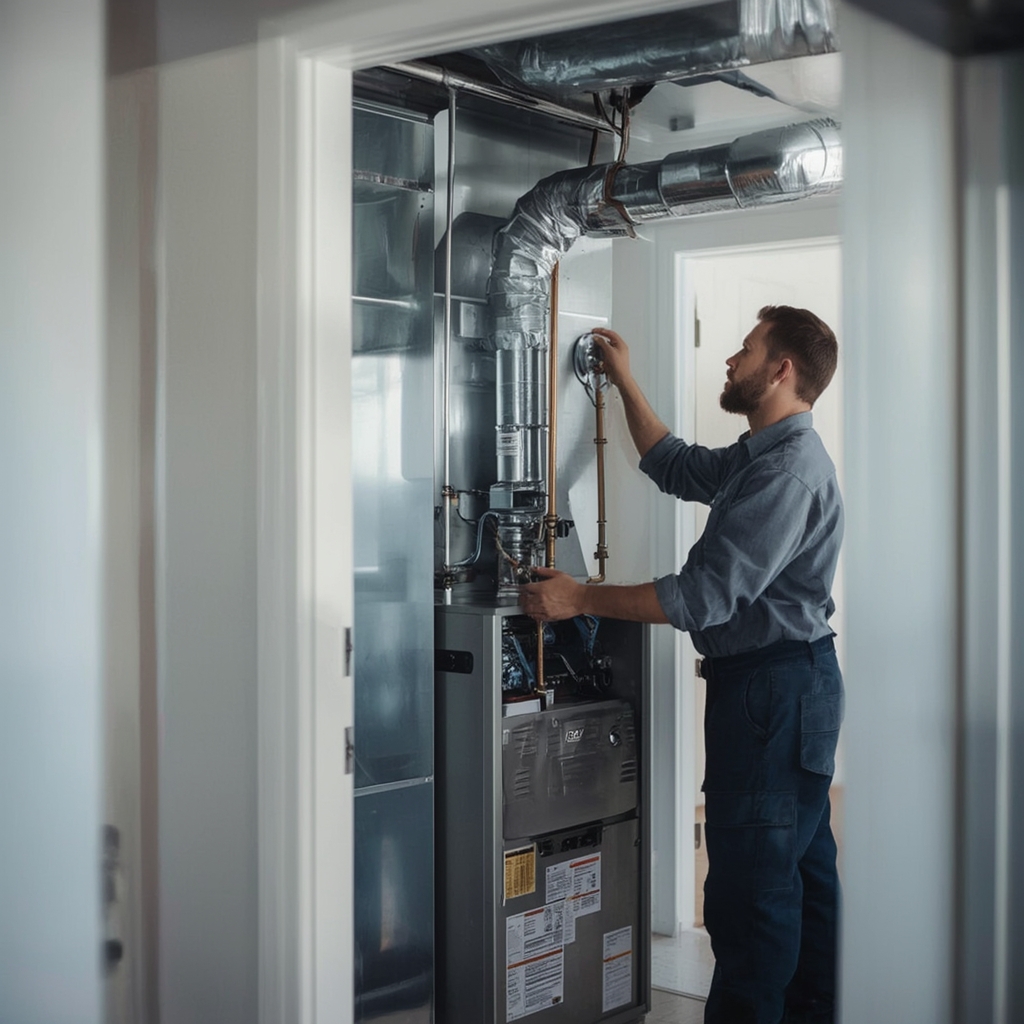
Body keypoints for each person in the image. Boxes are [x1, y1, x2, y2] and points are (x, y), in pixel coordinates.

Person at [519, 305, 844, 1024]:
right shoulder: (762, 454)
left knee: (750, 898)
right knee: (800, 879)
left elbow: (701, 598)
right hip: (783, 686)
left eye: (746, 349)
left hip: (773, 693)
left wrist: (579, 598)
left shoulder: (786, 472)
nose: (731, 359)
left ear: (781, 369)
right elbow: (674, 464)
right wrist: (622, 379)